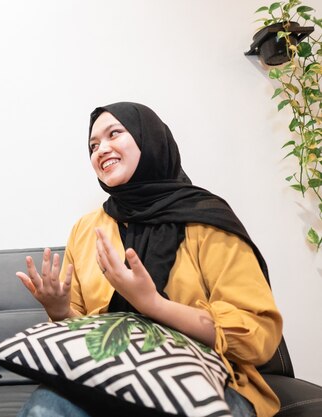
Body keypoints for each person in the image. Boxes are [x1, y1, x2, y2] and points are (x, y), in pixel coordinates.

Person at [16, 102, 282, 417]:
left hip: (208, 378)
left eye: (115, 133)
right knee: (45, 409)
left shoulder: (207, 219)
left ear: (150, 139)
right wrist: (60, 312)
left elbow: (258, 336)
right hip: (107, 377)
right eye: (93, 145)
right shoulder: (87, 229)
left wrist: (153, 304)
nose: (102, 149)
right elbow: (87, 341)